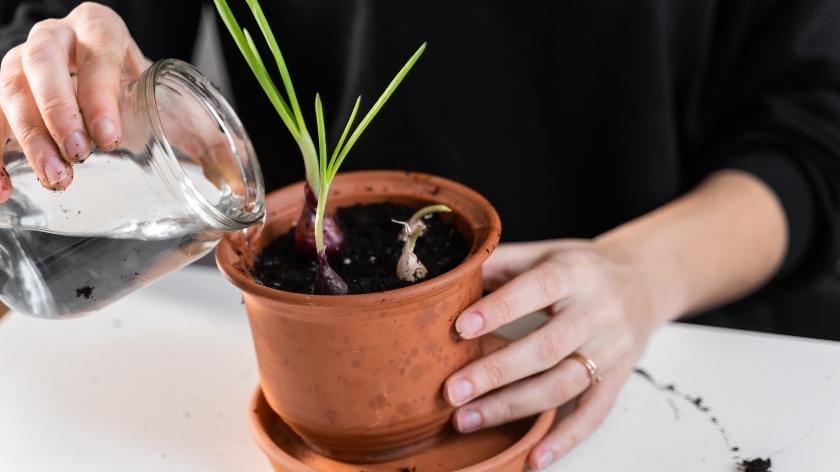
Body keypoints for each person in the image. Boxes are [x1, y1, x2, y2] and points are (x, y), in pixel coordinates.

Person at [2, 1, 840, 469]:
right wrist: (57, 68)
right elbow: (78, 27)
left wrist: (644, 274)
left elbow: (818, 129)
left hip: (675, 381)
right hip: (235, 355)